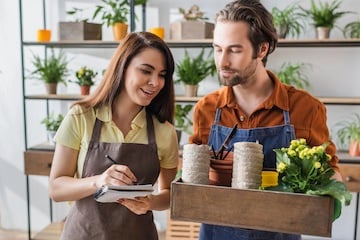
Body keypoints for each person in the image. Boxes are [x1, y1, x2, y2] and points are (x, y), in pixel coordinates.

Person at [188, 1, 342, 239]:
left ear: (262, 50)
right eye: (217, 49)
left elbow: (329, 172)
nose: (222, 61)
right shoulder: (206, 109)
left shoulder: (306, 109)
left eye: (235, 50)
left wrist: (330, 191)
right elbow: (193, 178)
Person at [49, 32, 179, 240]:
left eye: (162, 74)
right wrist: (98, 181)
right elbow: (56, 188)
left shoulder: (164, 131)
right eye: (146, 71)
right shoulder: (81, 117)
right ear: (123, 66)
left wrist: (150, 203)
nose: (155, 82)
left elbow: (171, 194)